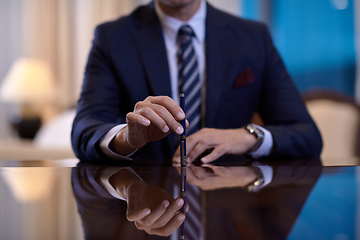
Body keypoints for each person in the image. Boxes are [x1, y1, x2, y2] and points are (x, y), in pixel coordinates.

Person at [71, 0, 322, 162]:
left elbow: (306, 134)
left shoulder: (253, 37)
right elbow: (84, 131)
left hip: (231, 206)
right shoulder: (111, 37)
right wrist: (127, 138)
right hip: (141, 207)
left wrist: (245, 137)